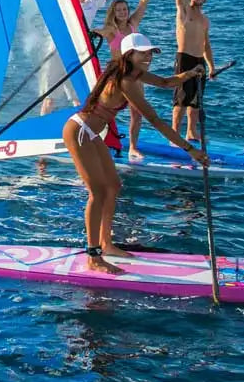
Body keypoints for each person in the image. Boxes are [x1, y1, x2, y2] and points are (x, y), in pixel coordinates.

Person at [61, 32, 206, 272]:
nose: (149, 56)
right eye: (144, 53)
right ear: (130, 55)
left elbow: (165, 82)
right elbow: (155, 120)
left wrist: (190, 74)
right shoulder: (126, 81)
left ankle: (106, 243)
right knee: (97, 192)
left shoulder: (135, 73)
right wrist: (190, 150)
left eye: (150, 52)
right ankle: (93, 256)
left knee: (114, 186)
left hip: (92, 133)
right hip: (79, 131)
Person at [40, 0, 143, 115]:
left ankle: (81, 127)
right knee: (50, 97)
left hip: (79, 53)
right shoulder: (64, 0)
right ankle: (42, 129)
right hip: (57, 52)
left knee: (81, 97)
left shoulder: (92, 3)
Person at [100, 0, 152, 152]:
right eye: (119, 10)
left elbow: (144, 3)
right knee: (107, 111)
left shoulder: (133, 24)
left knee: (137, 113)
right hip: (117, 74)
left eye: (124, 9)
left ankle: (132, 147)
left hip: (135, 74)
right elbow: (91, 32)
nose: (122, 12)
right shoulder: (109, 29)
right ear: (113, 12)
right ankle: (103, 140)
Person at [170, 0, 213, 143]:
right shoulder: (184, 10)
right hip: (184, 59)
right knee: (181, 99)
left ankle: (191, 132)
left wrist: (211, 66)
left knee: (196, 102)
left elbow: (207, 45)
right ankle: (174, 134)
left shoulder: (205, 20)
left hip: (199, 62)